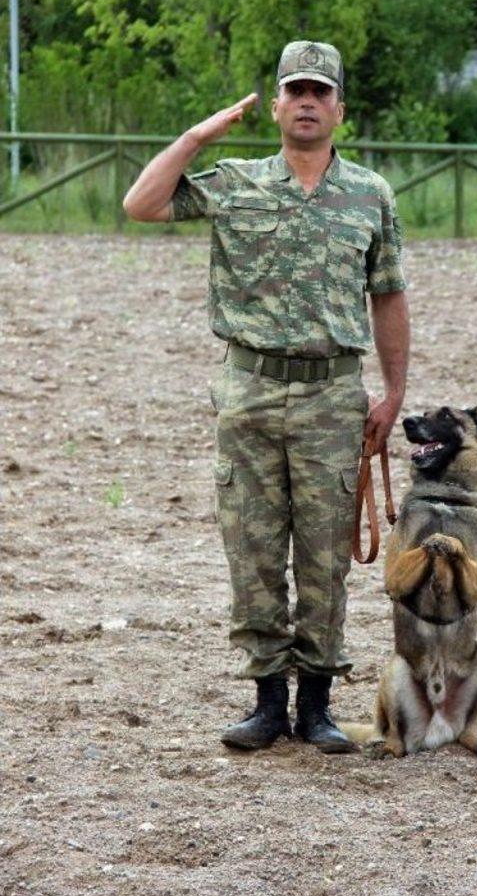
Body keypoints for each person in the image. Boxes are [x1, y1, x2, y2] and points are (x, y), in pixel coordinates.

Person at [123, 40, 409, 754]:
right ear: (277, 107)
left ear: (340, 109)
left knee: (323, 557)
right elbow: (141, 203)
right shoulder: (236, 181)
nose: (308, 103)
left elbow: (389, 294)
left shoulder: (371, 194)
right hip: (248, 392)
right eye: (295, 92)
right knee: (251, 549)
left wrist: (395, 392)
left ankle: (316, 705)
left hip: (333, 395)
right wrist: (195, 137)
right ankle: (265, 702)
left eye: (321, 92)